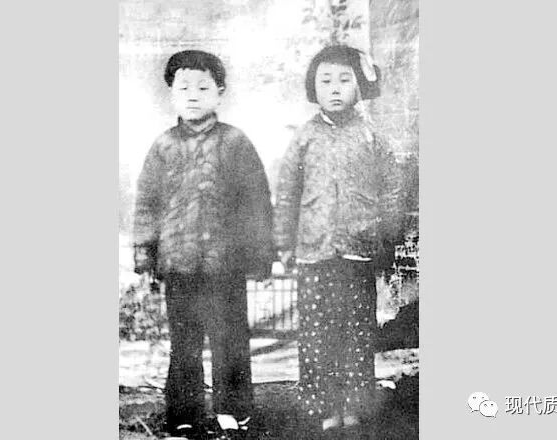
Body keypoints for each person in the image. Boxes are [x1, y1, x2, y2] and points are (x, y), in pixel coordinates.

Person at [132, 49, 274, 438]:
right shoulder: (163, 146)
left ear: (219, 93)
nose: (193, 95)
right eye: (184, 88)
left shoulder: (235, 142)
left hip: (225, 265)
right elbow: (147, 205)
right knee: (184, 344)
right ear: (172, 94)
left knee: (230, 340)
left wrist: (261, 255)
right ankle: (184, 414)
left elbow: (256, 202)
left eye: (202, 87)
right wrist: (146, 256)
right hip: (179, 265)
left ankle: (233, 410)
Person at [273, 45, 404, 435]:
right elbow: (287, 193)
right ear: (313, 89)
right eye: (325, 81)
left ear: (360, 86)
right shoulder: (304, 138)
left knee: (357, 334)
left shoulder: (371, 137)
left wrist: (387, 238)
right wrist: (284, 243)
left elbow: (393, 191)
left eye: (345, 80)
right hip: (314, 254)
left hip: (358, 255)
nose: (335, 88)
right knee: (317, 336)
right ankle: (323, 406)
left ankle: (354, 405)